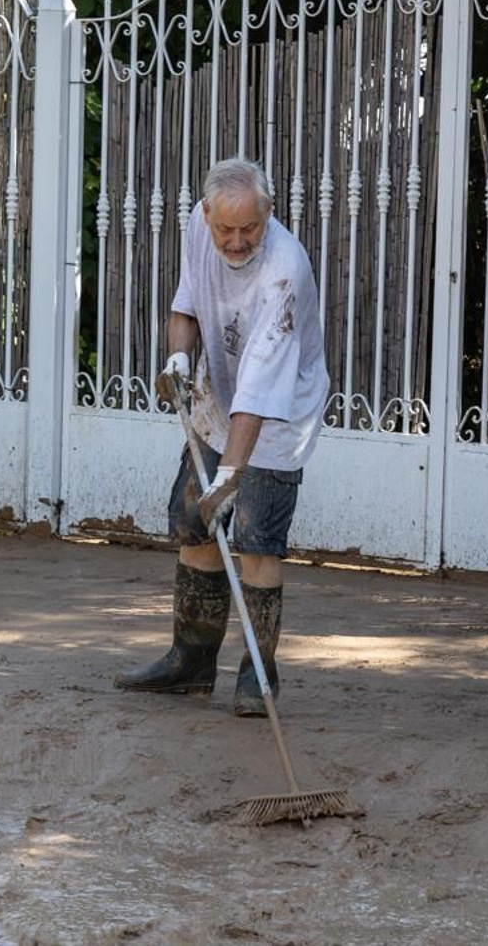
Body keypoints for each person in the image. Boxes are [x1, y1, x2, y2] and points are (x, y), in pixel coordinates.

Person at [113, 157, 328, 717]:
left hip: (277, 415)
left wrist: (230, 478)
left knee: (256, 535)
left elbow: (258, 396)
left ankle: (259, 675)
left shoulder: (284, 274)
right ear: (207, 215)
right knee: (194, 521)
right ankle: (191, 660)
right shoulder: (197, 224)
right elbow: (187, 304)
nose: (235, 242)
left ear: (270, 213)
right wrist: (179, 359)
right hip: (217, 395)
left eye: (249, 229)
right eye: (225, 229)